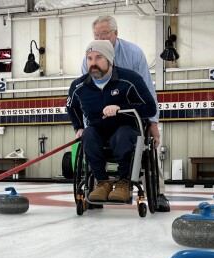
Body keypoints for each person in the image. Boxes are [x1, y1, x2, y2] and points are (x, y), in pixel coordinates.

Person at [81, 15, 171, 211]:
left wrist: (153, 124)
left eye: (104, 33)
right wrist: (84, 127)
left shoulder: (133, 54)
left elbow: (148, 89)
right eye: (96, 35)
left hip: (131, 119)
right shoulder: (90, 58)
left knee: (148, 149)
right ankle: (100, 185)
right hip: (103, 121)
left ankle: (158, 192)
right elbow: (84, 94)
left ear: (116, 33)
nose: (100, 38)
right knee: (90, 138)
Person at [67, 40, 156, 202]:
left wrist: (120, 107)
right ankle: (102, 182)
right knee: (88, 134)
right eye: (89, 58)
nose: (93, 63)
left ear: (109, 59)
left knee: (122, 135)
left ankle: (124, 182)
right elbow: (71, 107)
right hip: (99, 130)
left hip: (127, 128)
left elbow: (150, 108)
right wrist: (78, 126)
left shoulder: (130, 79)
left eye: (98, 58)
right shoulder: (78, 86)